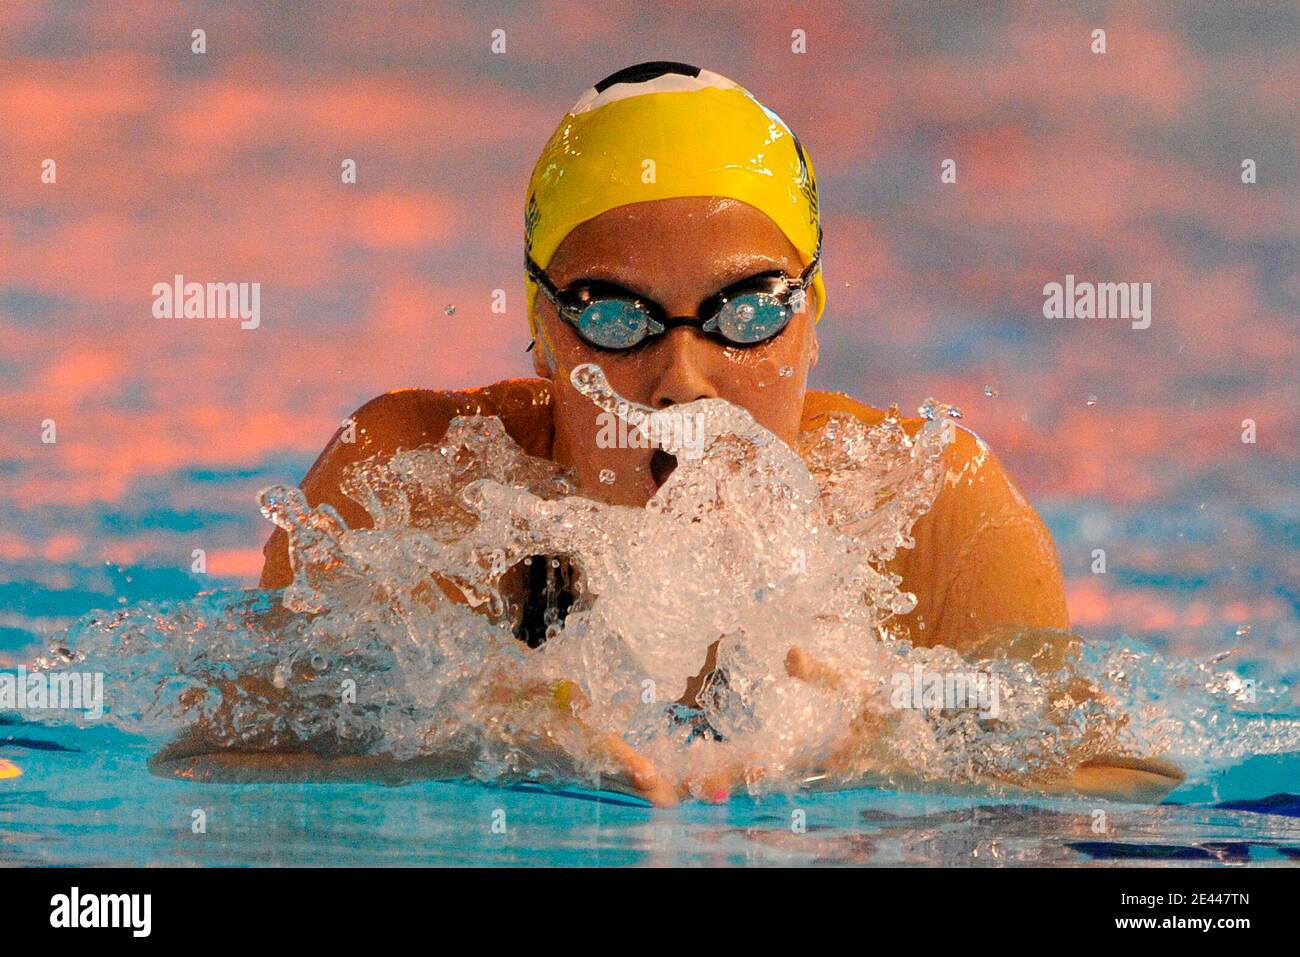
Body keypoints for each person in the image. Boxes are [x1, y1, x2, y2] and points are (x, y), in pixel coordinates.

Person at [206, 62, 1181, 804]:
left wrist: (893, 757)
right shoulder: (416, 485)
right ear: (543, 330)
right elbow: (225, 770)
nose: (682, 378)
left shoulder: (927, 503)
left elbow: (1124, 788)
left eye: (745, 311)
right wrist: (472, 742)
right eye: (615, 315)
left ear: (812, 311)